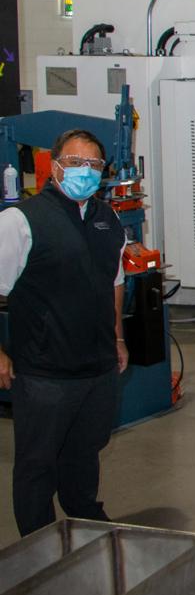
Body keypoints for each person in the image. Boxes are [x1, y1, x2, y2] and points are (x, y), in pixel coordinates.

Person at [0, 129, 128, 535]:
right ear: (54, 166)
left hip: (97, 367)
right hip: (45, 373)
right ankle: (38, 545)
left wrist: (118, 337)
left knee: (84, 455)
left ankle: (85, 526)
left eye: (93, 164)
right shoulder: (21, 221)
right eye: (74, 162)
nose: (84, 171)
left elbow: (115, 281)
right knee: (37, 465)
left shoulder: (107, 219)